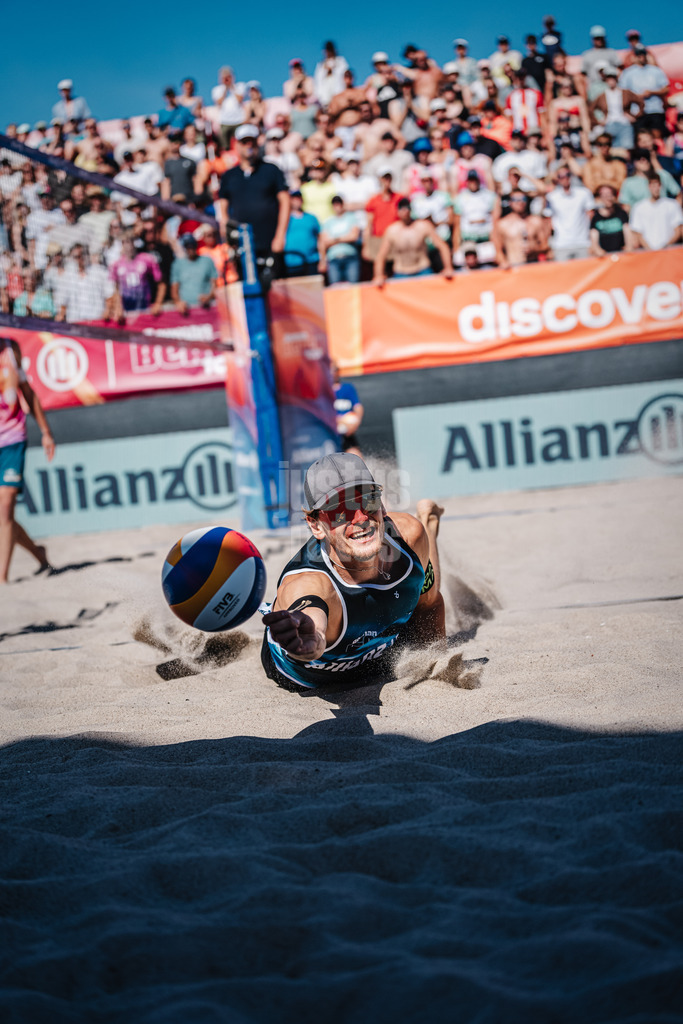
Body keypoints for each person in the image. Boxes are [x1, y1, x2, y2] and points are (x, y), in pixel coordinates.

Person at [261, 452, 445, 691]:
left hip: (388, 646)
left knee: (424, 582)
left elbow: (430, 606)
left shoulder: (409, 536)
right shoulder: (307, 582)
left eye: (368, 500)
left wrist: (439, 667)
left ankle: (428, 522)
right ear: (316, 525)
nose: (360, 518)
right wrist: (311, 640)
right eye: (339, 511)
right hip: (315, 680)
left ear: (382, 504)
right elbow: (312, 618)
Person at [1, 337, 55, 583]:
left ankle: (2, 578)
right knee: (4, 515)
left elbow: (29, 394)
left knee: (6, 505)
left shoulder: (9, 350)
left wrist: (45, 432)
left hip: (12, 438)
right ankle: (38, 553)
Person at [217, 124, 290, 263]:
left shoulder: (271, 170)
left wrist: (280, 236)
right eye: (244, 142)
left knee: (275, 282)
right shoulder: (229, 176)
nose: (249, 146)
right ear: (237, 144)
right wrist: (228, 239)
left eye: (252, 141)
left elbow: (285, 202)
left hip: (270, 241)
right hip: (242, 245)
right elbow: (223, 210)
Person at [374, 197, 453, 284]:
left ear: (411, 210)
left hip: (423, 270)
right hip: (401, 273)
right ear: (397, 211)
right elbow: (381, 256)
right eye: (401, 208)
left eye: (407, 208)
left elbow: (442, 246)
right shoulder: (392, 231)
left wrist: (448, 268)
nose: (405, 211)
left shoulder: (423, 226)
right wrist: (378, 275)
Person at [544, 165, 595, 260]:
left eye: (567, 174)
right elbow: (548, 221)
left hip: (583, 242)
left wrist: (592, 242)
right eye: (560, 176)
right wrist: (550, 245)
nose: (565, 178)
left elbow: (591, 216)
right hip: (561, 244)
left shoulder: (584, 193)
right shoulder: (551, 197)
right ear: (557, 179)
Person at [619, 45, 670, 135]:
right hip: (637, 112)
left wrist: (652, 92)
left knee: (657, 135)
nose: (641, 56)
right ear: (634, 56)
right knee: (641, 137)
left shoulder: (656, 71)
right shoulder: (627, 73)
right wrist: (635, 97)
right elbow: (623, 93)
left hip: (655, 109)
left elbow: (666, 89)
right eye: (638, 54)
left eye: (643, 54)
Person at [492, 191, 549, 267]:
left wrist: (534, 249)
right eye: (516, 199)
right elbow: (498, 251)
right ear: (510, 202)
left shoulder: (535, 221)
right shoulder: (502, 224)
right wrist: (503, 262)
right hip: (514, 266)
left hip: (533, 265)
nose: (520, 202)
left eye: (523, 199)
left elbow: (545, 246)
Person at [629, 174, 683, 251]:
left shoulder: (672, 205)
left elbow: (678, 230)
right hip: (648, 253)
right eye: (653, 185)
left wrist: (666, 246)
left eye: (658, 185)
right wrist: (649, 250)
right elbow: (638, 233)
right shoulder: (638, 207)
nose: (656, 189)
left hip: (669, 251)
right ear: (649, 187)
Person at [318, 196, 361, 284]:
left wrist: (335, 239)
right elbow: (324, 242)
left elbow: (354, 236)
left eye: (339, 204)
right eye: (335, 204)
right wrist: (344, 238)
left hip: (350, 257)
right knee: (335, 288)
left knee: (353, 287)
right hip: (334, 258)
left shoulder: (351, 218)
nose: (337, 207)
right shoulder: (328, 222)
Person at [170, 235, 217, 312]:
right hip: (186, 310)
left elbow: (215, 285)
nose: (190, 249)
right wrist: (178, 302)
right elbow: (174, 288)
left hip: (207, 309)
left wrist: (209, 297)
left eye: (192, 246)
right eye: (187, 247)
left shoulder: (207, 261)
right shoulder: (177, 264)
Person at [284, 190, 320, 276]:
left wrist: (322, 260)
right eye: (294, 199)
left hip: (311, 261)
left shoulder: (311, 218)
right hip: (291, 262)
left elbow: (320, 238)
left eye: (299, 199)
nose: (297, 201)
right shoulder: (284, 219)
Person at [589, 184, 633, 255]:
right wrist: (598, 250)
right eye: (605, 195)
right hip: (604, 256)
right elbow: (594, 237)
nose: (608, 198)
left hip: (621, 253)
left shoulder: (621, 213)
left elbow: (627, 231)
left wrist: (629, 247)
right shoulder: (596, 217)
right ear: (600, 197)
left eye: (610, 194)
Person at [332, 363, 363, 456]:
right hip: (332, 433)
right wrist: (339, 421)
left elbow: (358, 407)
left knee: (356, 457)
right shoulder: (324, 392)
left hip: (347, 432)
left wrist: (355, 423)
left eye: (335, 370)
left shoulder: (347, 388)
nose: (332, 373)